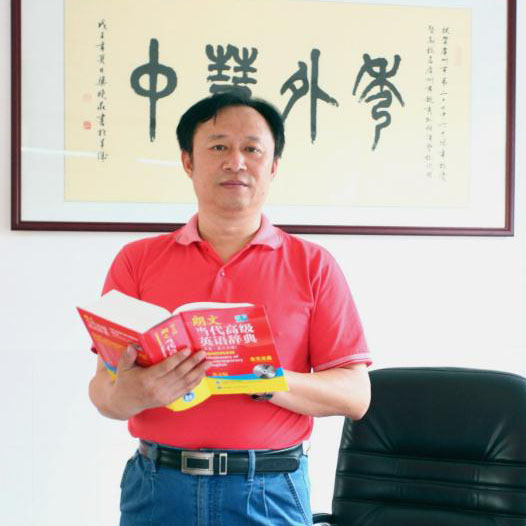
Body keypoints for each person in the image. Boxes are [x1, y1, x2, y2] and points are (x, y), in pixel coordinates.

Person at [88, 93, 372, 526]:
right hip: (158, 487)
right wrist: (139, 392)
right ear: (188, 161)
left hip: (268, 490)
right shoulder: (137, 261)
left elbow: (356, 395)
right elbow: (103, 393)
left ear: (273, 166)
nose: (236, 162)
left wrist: (263, 378)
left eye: (252, 149)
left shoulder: (313, 265)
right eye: (218, 146)